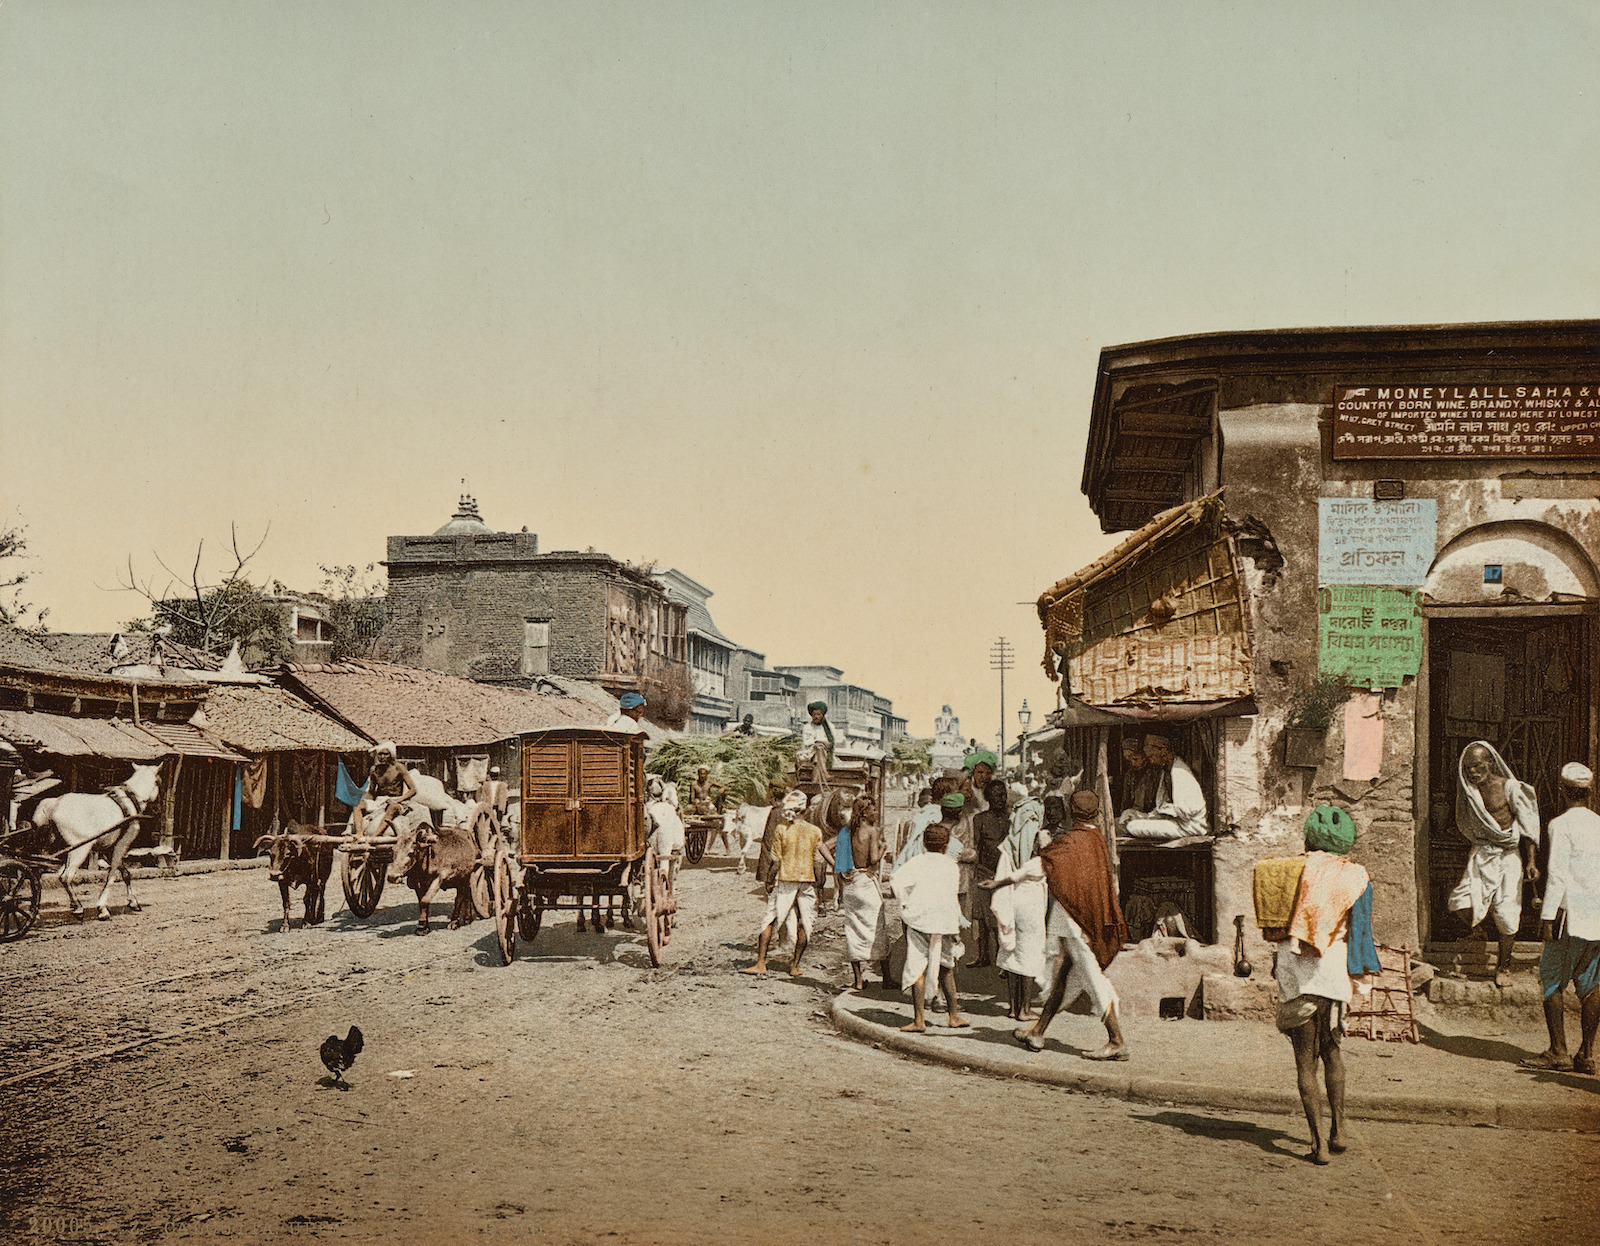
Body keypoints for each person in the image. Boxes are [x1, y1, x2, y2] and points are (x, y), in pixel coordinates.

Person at [1270, 804, 1379, 1165]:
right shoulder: (1357, 876)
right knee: (1332, 1050)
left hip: (1298, 970)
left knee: (1305, 1061)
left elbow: (1274, 923)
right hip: (1333, 969)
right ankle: (1340, 1129)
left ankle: (1317, 1144)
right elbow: (1362, 931)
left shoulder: (1293, 869)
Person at [1014, 790, 1128, 1062]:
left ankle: (1116, 1040)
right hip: (1080, 921)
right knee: (1062, 978)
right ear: (1097, 813)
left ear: (1071, 811)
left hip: (1076, 923)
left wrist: (1002, 882)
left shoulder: (1072, 841)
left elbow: (1042, 863)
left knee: (1094, 980)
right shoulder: (1096, 838)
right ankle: (1037, 1031)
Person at [1524, 763, 1600, 1073]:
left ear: (1562, 791)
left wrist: (1546, 918)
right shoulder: (1598, 824)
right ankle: (1587, 1054)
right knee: (1593, 985)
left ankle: (1558, 1051)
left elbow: (1556, 876)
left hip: (1568, 914)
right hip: (1596, 918)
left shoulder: (1560, 825)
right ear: (1589, 791)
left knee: (1552, 980)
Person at [1449, 740, 1541, 988]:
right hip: (1483, 853)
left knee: (1507, 913)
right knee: (1459, 902)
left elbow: (1528, 825)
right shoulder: (1470, 792)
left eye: (1477, 766)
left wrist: (1531, 861)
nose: (1473, 773)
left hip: (1509, 855)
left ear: (1490, 763)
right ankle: (1479, 931)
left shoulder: (1510, 788)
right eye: (1468, 769)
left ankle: (1504, 967)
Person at [981, 789, 1054, 1021]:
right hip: (1031, 902)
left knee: (1012, 952)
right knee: (1031, 954)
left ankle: (1013, 1008)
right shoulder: (1040, 840)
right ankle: (1024, 1009)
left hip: (1012, 901)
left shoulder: (1008, 845)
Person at [890, 819, 968, 1032]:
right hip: (943, 923)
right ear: (946, 845)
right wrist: (956, 925)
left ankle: (919, 1020)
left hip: (920, 921)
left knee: (917, 968)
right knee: (946, 967)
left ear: (924, 843)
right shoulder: (951, 866)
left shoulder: (916, 862)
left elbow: (896, 882)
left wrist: (906, 903)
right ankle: (953, 1016)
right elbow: (952, 897)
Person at [742, 790, 831, 976]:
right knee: (804, 922)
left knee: (771, 919)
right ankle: (795, 965)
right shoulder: (815, 831)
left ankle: (760, 963)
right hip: (806, 881)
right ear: (805, 809)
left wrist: (768, 880)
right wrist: (830, 870)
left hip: (786, 880)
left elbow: (776, 861)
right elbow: (819, 856)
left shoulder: (782, 829)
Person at [839, 796, 892, 989]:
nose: (876, 813)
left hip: (851, 884)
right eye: (874, 810)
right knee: (878, 928)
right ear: (864, 812)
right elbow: (873, 859)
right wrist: (883, 848)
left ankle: (858, 981)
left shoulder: (847, 831)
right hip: (866, 882)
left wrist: (840, 868)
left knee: (853, 930)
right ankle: (887, 979)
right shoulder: (872, 831)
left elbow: (823, 847)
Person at [1118, 735, 1208, 841]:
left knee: (1133, 826)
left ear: (1163, 752)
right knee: (1129, 816)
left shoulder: (1180, 772)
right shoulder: (1165, 772)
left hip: (1190, 826)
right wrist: (1146, 815)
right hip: (1179, 821)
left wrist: (1162, 812)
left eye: (1151, 756)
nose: (1151, 761)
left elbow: (1189, 811)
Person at [967, 779, 1011, 969]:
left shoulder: (1012, 819)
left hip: (1007, 873)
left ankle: (1003, 958)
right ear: (988, 798)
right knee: (982, 918)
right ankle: (983, 956)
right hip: (985, 871)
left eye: (1003, 795)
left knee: (1002, 916)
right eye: (996, 795)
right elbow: (976, 846)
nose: (1001, 799)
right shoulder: (980, 819)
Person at [350, 743, 417, 839]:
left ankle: (375, 837)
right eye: (380, 754)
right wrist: (367, 802)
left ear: (392, 755)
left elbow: (413, 790)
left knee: (393, 807)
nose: (382, 757)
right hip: (380, 801)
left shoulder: (399, 768)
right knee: (357, 805)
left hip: (396, 800)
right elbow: (372, 792)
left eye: (386, 754)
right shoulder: (374, 770)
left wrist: (399, 800)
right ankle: (359, 835)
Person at [1118, 736, 1158, 816]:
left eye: (1135, 759)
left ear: (1143, 756)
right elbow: (1125, 800)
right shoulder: (1129, 775)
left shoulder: (1153, 774)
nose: (1132, 762)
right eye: (1128, 759)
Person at [801, 701, 835, 784]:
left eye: (818, 714)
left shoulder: (830, 726)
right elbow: (806, 742)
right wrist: (816, 742)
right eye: (814, 715)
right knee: (819, 748)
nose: (816, 717)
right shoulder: (807, 727)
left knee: (820, 748)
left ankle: (815, 780)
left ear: (823, 715)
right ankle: (825, 774)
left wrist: (823, 743)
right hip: (810, 752)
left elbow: (831, 742)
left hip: (826, 753)